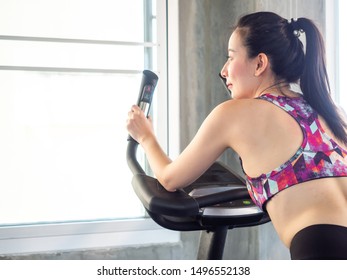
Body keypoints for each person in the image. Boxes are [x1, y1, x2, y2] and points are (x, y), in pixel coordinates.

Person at [126, 11, 347, 260]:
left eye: (231, 58)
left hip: (324, 248)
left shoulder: (235, 114)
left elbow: (169, 179)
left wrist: (145, 137)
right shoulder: (330, 111)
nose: (223, 71)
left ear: (259, 63)